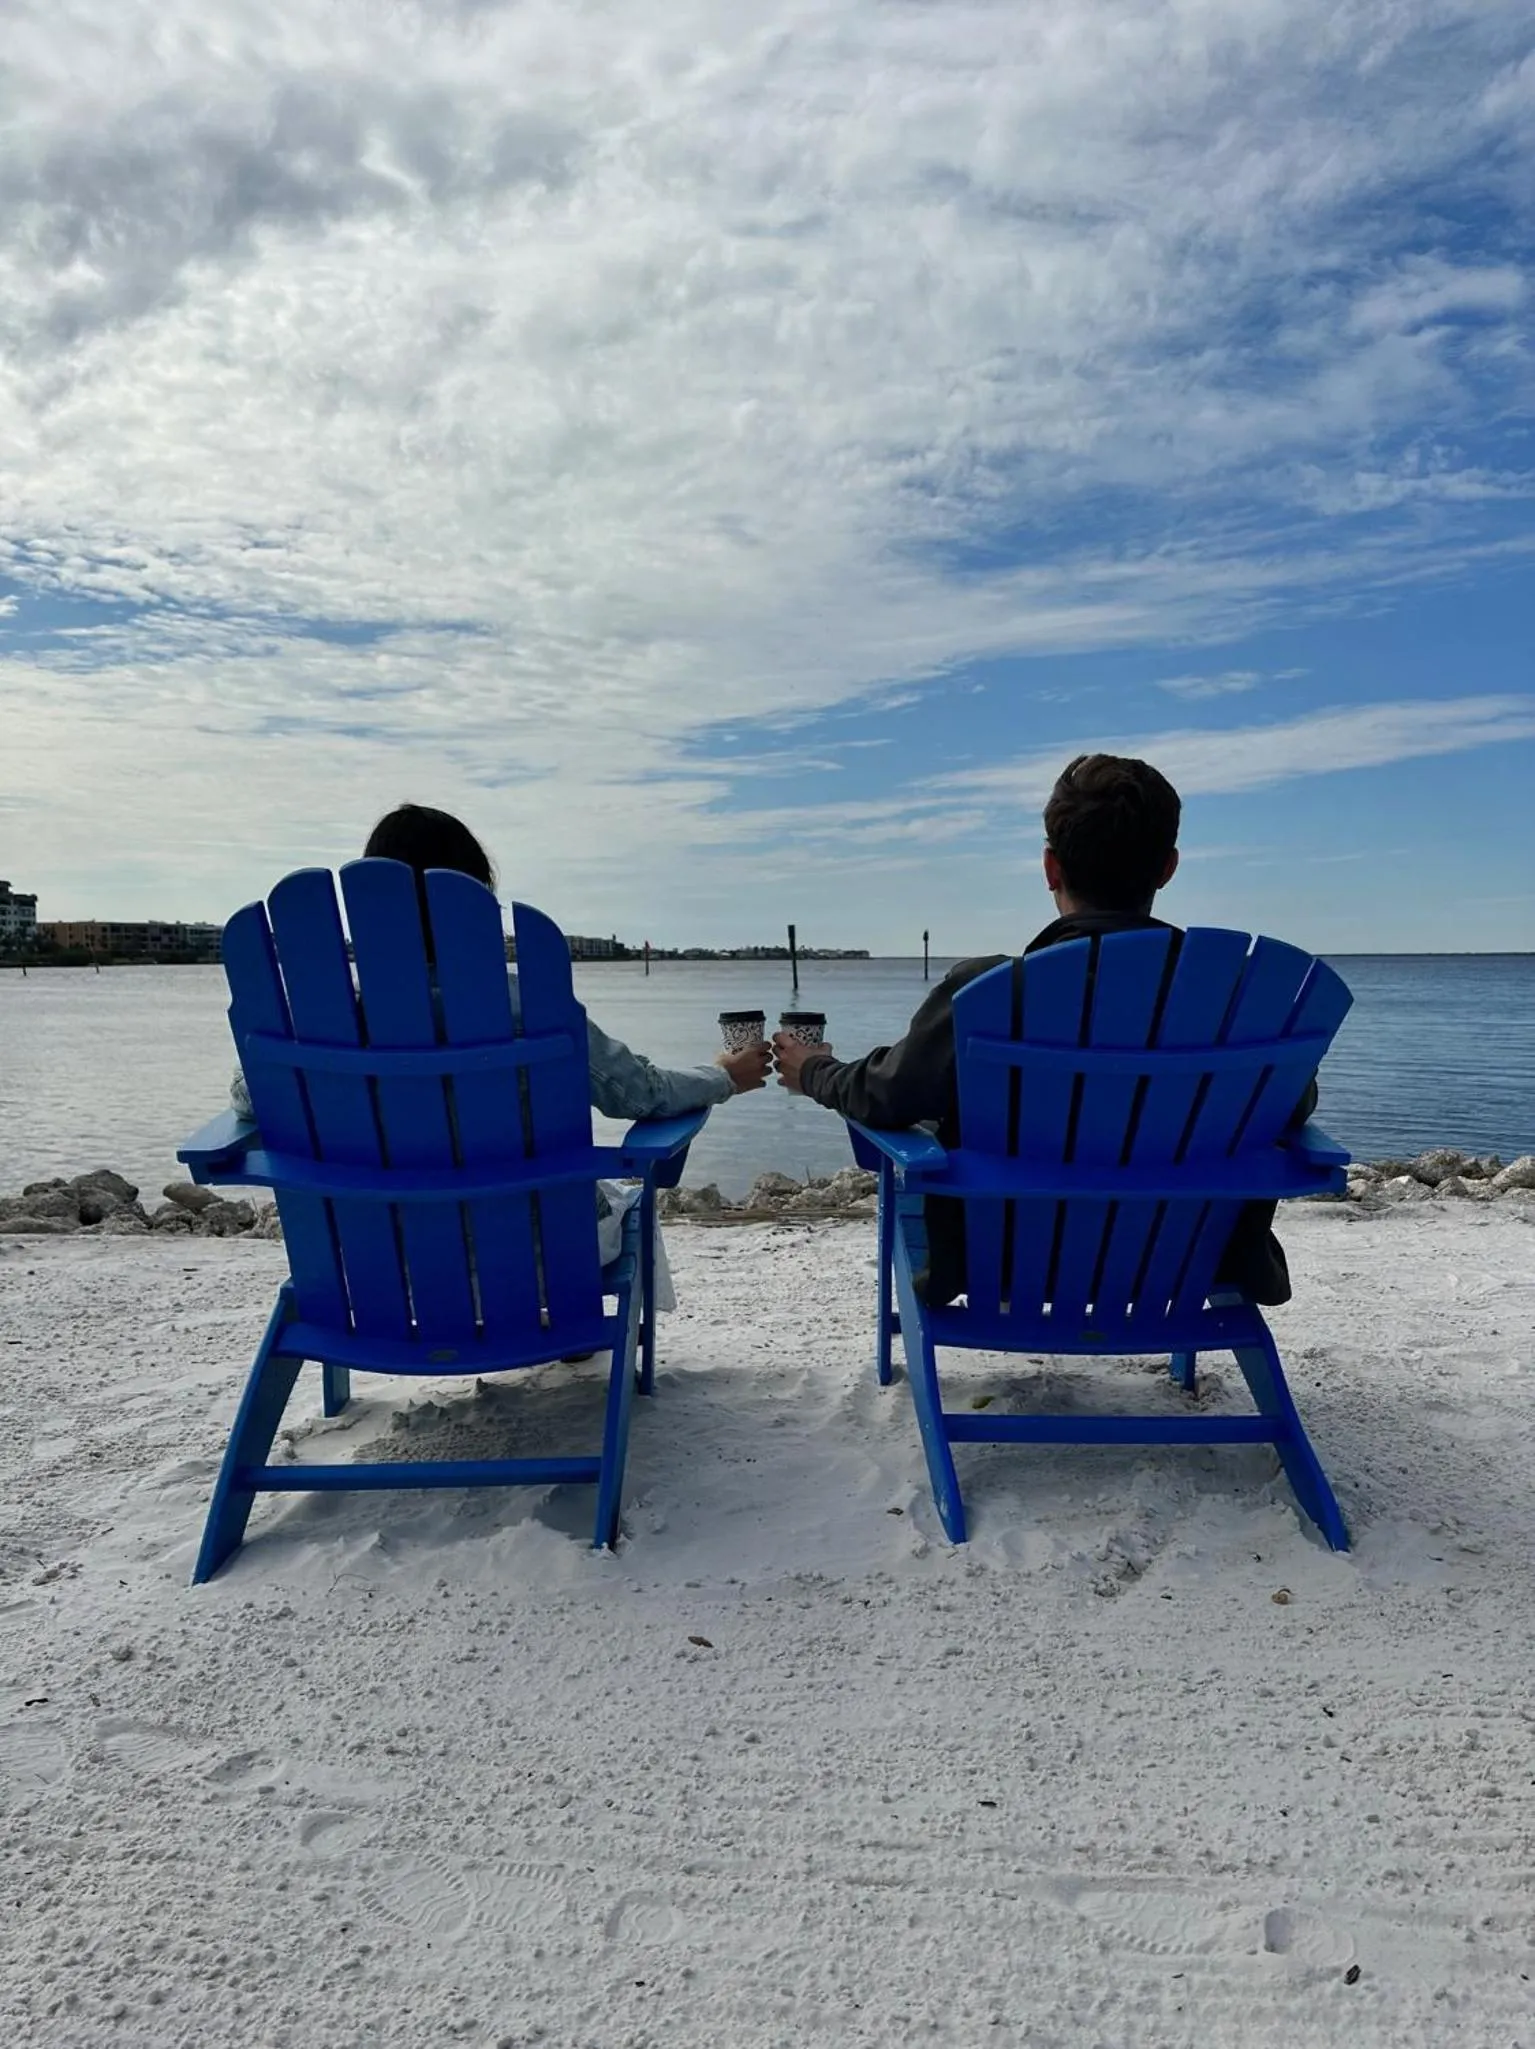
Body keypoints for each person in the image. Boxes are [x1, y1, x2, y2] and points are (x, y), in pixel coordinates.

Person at [772, 753, 1312, 1308]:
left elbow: (884, 1095)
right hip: (1189, 1259)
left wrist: (814, 1071)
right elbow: (1292, 1103)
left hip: (1003, 1264)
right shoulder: (1241, 1006)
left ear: (1051, 868)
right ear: (1168, 867)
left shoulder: (991, 993)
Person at [230, 804, 771, 1280]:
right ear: (472, 896)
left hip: (379, 1267)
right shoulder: (526, 1005)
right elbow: (640, 1095)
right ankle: (572, 1333)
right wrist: (722, 1076)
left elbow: (250, 1098)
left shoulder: (321, 1021)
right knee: (623, 1203)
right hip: (546, 1258)